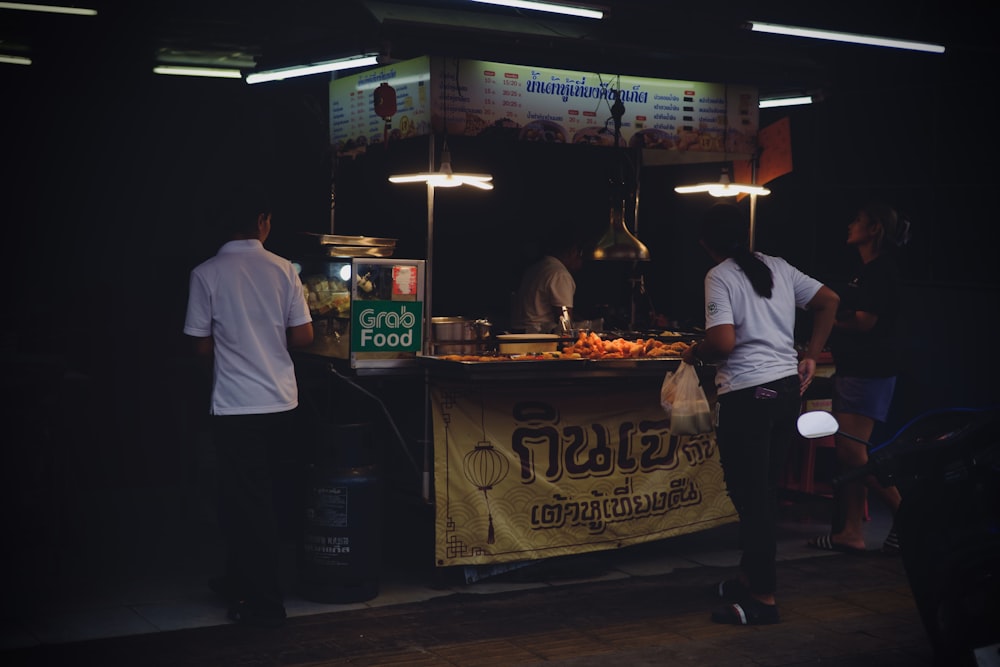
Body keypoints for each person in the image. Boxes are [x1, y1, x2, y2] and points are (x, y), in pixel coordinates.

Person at [681, 203, 839, 625]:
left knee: (752, 498)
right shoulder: (780, 267)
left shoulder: (719, 275)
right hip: (785, 389)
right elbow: (829, 301)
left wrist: (694, 351)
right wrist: (809, 354)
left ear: (705, 244)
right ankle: (749, 578)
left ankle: (763, 599)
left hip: (749, 395)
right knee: (763, 491)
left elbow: (723, 342)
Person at [183, 189, 314, 627]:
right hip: (281, 401)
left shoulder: (206, 273)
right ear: (262, 221)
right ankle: (243, 580)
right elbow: (303, 337)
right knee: (263, 498)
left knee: (245, 501)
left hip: (236, 406)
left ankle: (263, 600)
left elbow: (199, 345)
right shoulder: (283, 270)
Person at [808, 202, 910, 556]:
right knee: (850, 452)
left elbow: (865, 321)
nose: (850, 225)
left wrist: (832, 323)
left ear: (874, 230)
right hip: (859, 370)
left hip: (869, 371)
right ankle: (850, 531)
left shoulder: (880, 271)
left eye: (858, 221)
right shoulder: (865, 271)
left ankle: (908, 515)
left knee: (853, 451)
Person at [510, 223, 586, 334]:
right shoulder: (560, 274)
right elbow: (565, 321)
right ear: (572, 252)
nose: (581, 261)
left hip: (520, 333)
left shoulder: (538, 267)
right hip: (537, 338)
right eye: (580, 255)